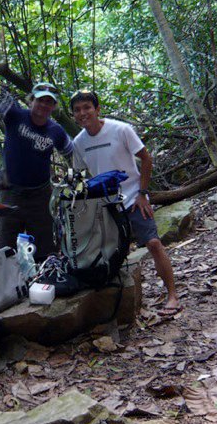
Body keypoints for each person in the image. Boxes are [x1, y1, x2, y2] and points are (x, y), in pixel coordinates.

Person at [70, 89, 181, 315]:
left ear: (97, 109)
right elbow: (81, 177)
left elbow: (146, 158)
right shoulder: (79, 142)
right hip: (105, 204)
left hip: (132, 197)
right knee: (109, 254)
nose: (82, 113)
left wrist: (142, 193)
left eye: (87, 107)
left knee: (153, 243)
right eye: (77, 110)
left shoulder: (120, 129)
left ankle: (172, 295)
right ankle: (118, 303)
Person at [0, 32, 73, 260]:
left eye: (49, 102)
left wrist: (73, 182)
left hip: (40, 197)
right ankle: (8, 282)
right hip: (10, 193)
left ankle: (44, 279)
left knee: (45, 249)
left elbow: (72, 155)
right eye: (40, 99)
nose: (44, 105)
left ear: (54, 107)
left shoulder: (56, 131)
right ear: (31, 100)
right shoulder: (15, 114)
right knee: (5, 249)